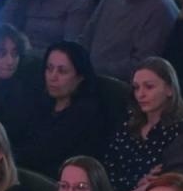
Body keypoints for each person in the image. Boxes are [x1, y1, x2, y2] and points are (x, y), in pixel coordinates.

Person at [10, 41, 110, 181]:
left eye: (62, 71)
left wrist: (4, 157)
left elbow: (44, 152)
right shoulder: (39, 101)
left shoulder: (86, 113)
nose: (53, 77)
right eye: (49, 69)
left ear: (80, 77)